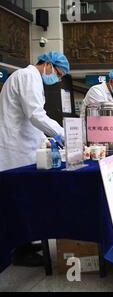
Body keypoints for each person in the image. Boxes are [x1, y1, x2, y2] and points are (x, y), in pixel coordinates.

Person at [0, 51, 70, 266]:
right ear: (47, 64)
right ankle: (21, 251)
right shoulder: (28, 76)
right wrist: (64, 133)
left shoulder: (29, 79)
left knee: (25, 199)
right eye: (57, 74)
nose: (56, 79)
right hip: (15, 151)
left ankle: (26, 242)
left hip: (24, 147)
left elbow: (30, 120)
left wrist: (46, 139)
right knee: (19, 200)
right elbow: (35, 114)